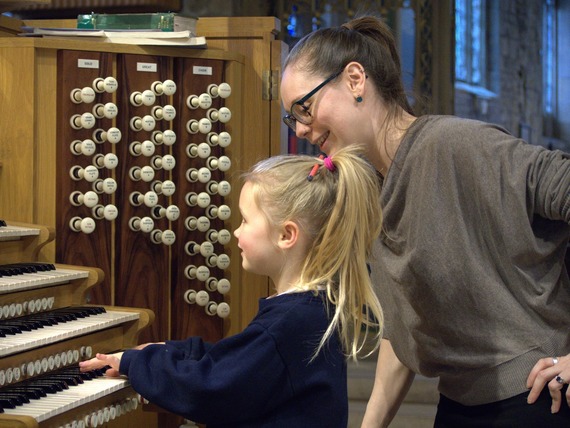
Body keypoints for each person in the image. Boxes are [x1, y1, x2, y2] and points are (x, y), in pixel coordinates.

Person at [279, 13, 570, 428]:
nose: (303, 129)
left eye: (304, 108)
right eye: (294, 119)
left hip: (537, 399)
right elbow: (406, 329)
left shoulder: (457, 145)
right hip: (458, 406)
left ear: (355, 80)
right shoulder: (374, 186)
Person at [79, 146, 384, 427]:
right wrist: (172, 351)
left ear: (286, 235)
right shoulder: (310, 308)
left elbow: (210, 388)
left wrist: (136, 362)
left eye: (245, 220)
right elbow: (238, 364)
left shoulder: (287, 323)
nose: (236, 231)